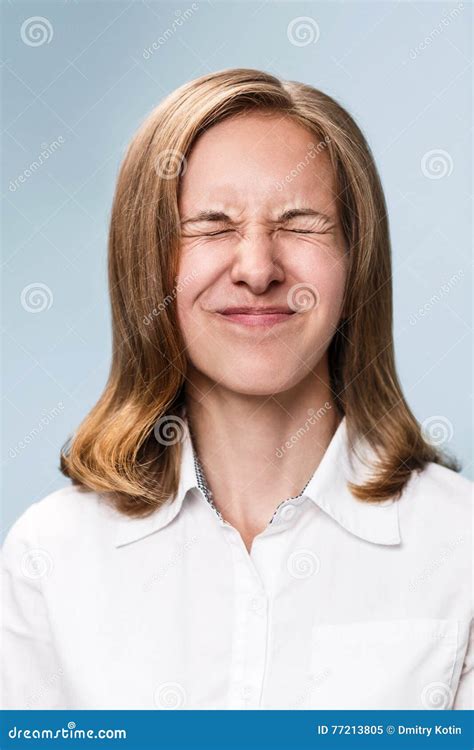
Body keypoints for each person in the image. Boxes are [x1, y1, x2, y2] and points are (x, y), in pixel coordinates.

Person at [2, 68, 472, 710]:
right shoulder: (50, 554)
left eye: (301, 223)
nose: (256, 270)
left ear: (354, 260)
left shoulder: (461, 546)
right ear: (148, 261)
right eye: (212, 226)